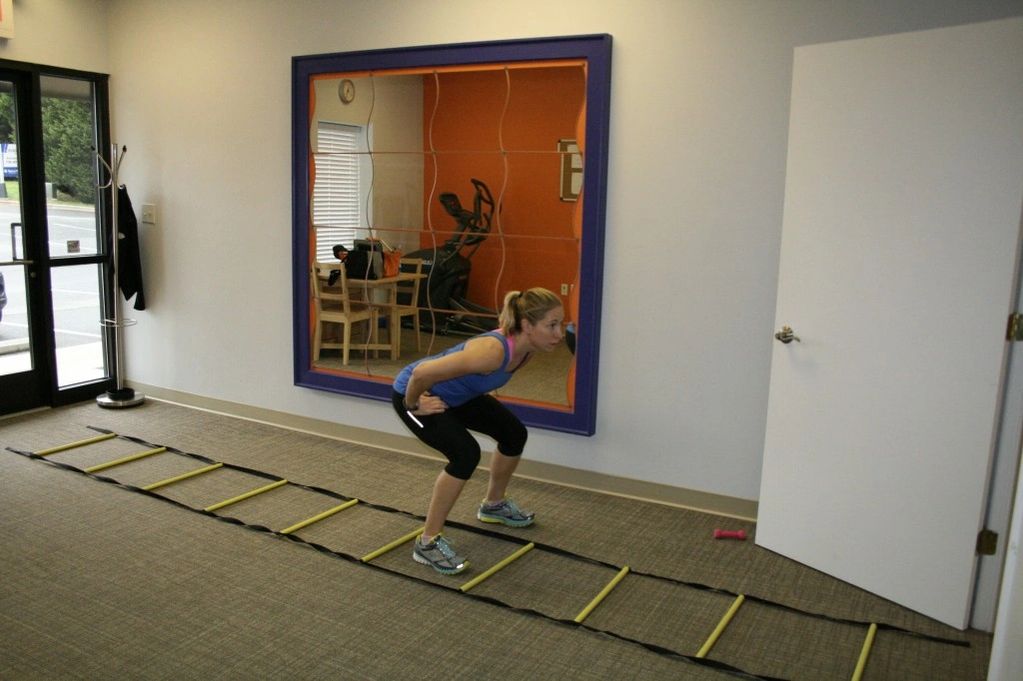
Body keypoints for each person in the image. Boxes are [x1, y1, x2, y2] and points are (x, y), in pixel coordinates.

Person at [392, 287, 565, 575]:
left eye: (560, 324)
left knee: (513, 434)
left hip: (456, 396)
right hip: (416, 393)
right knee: (465, 455)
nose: (559, 334)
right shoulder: (491, 352)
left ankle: (493, 505)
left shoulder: (526, 351)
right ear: (526, 325)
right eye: (552, 325)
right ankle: (427, 542)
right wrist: (413, 404)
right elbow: (422, 373)